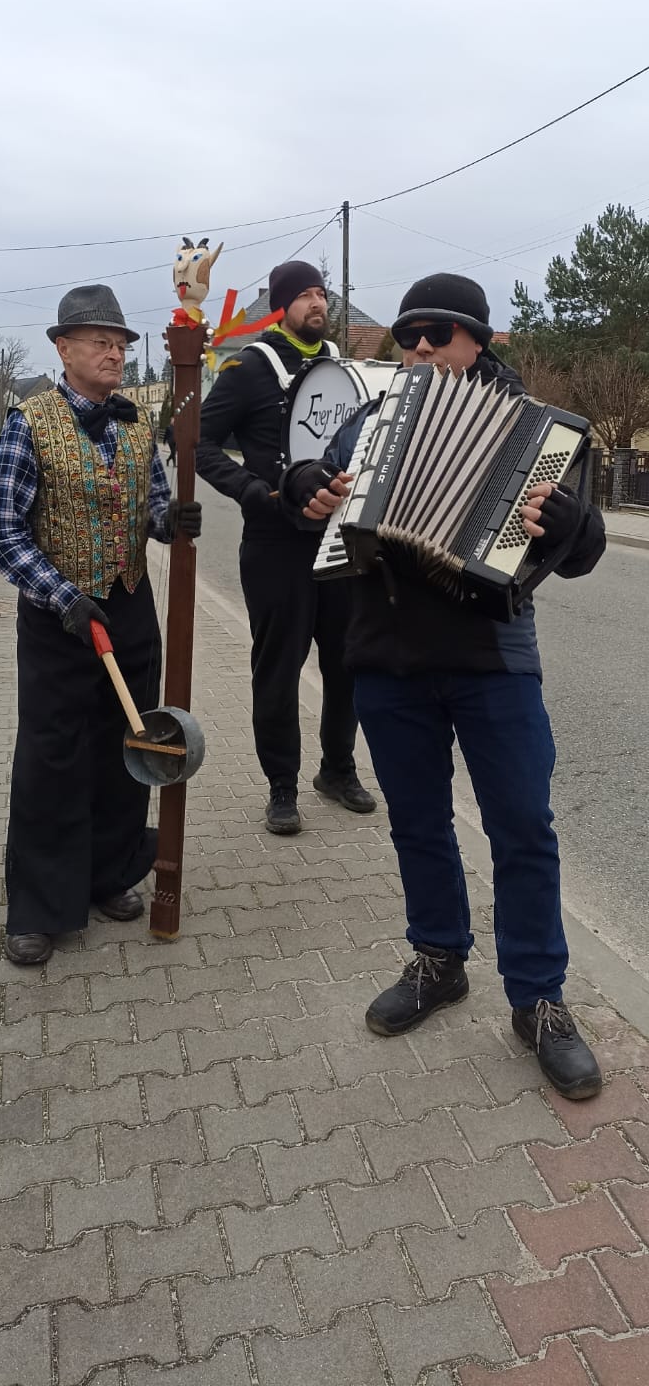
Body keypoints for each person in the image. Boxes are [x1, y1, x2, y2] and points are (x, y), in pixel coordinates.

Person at [280, 273, 606, 1099]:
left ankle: (537, 999)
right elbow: (314, 489)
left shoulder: (536, 429)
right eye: (407, 336)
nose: (420, 347)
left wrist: (570, 526)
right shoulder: (369, 418)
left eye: (439, 334)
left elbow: (584, 546)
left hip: (492, 657)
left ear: (478, 342)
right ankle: (438, 958)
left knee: (521, 827)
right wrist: (303, 488)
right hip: (385, 656)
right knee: (418, 823)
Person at [0, 284, 201, 966]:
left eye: (120, 344)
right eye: (100, 342)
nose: (113, 353)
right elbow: (3, 532)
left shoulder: (136, 425)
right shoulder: (30, 422)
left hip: (128, 608)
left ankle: (110, 873)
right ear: (64, 349)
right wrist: (62, 596)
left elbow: (152, 508)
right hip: (59, 619)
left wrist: (172, 521)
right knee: (52, 756)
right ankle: (40, 905)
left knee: (125, 745)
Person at [196, 258, 375, 835]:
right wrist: (252, 491)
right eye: (304, 296)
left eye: (321, 294)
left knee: (347, 662)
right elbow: (198, 442)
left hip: (338, 535)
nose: (317, 303)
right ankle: (281, 786)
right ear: (281, 307)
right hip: (275, 542)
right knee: (278, 670)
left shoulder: (340, 368)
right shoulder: (248, 366)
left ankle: (337, 770)